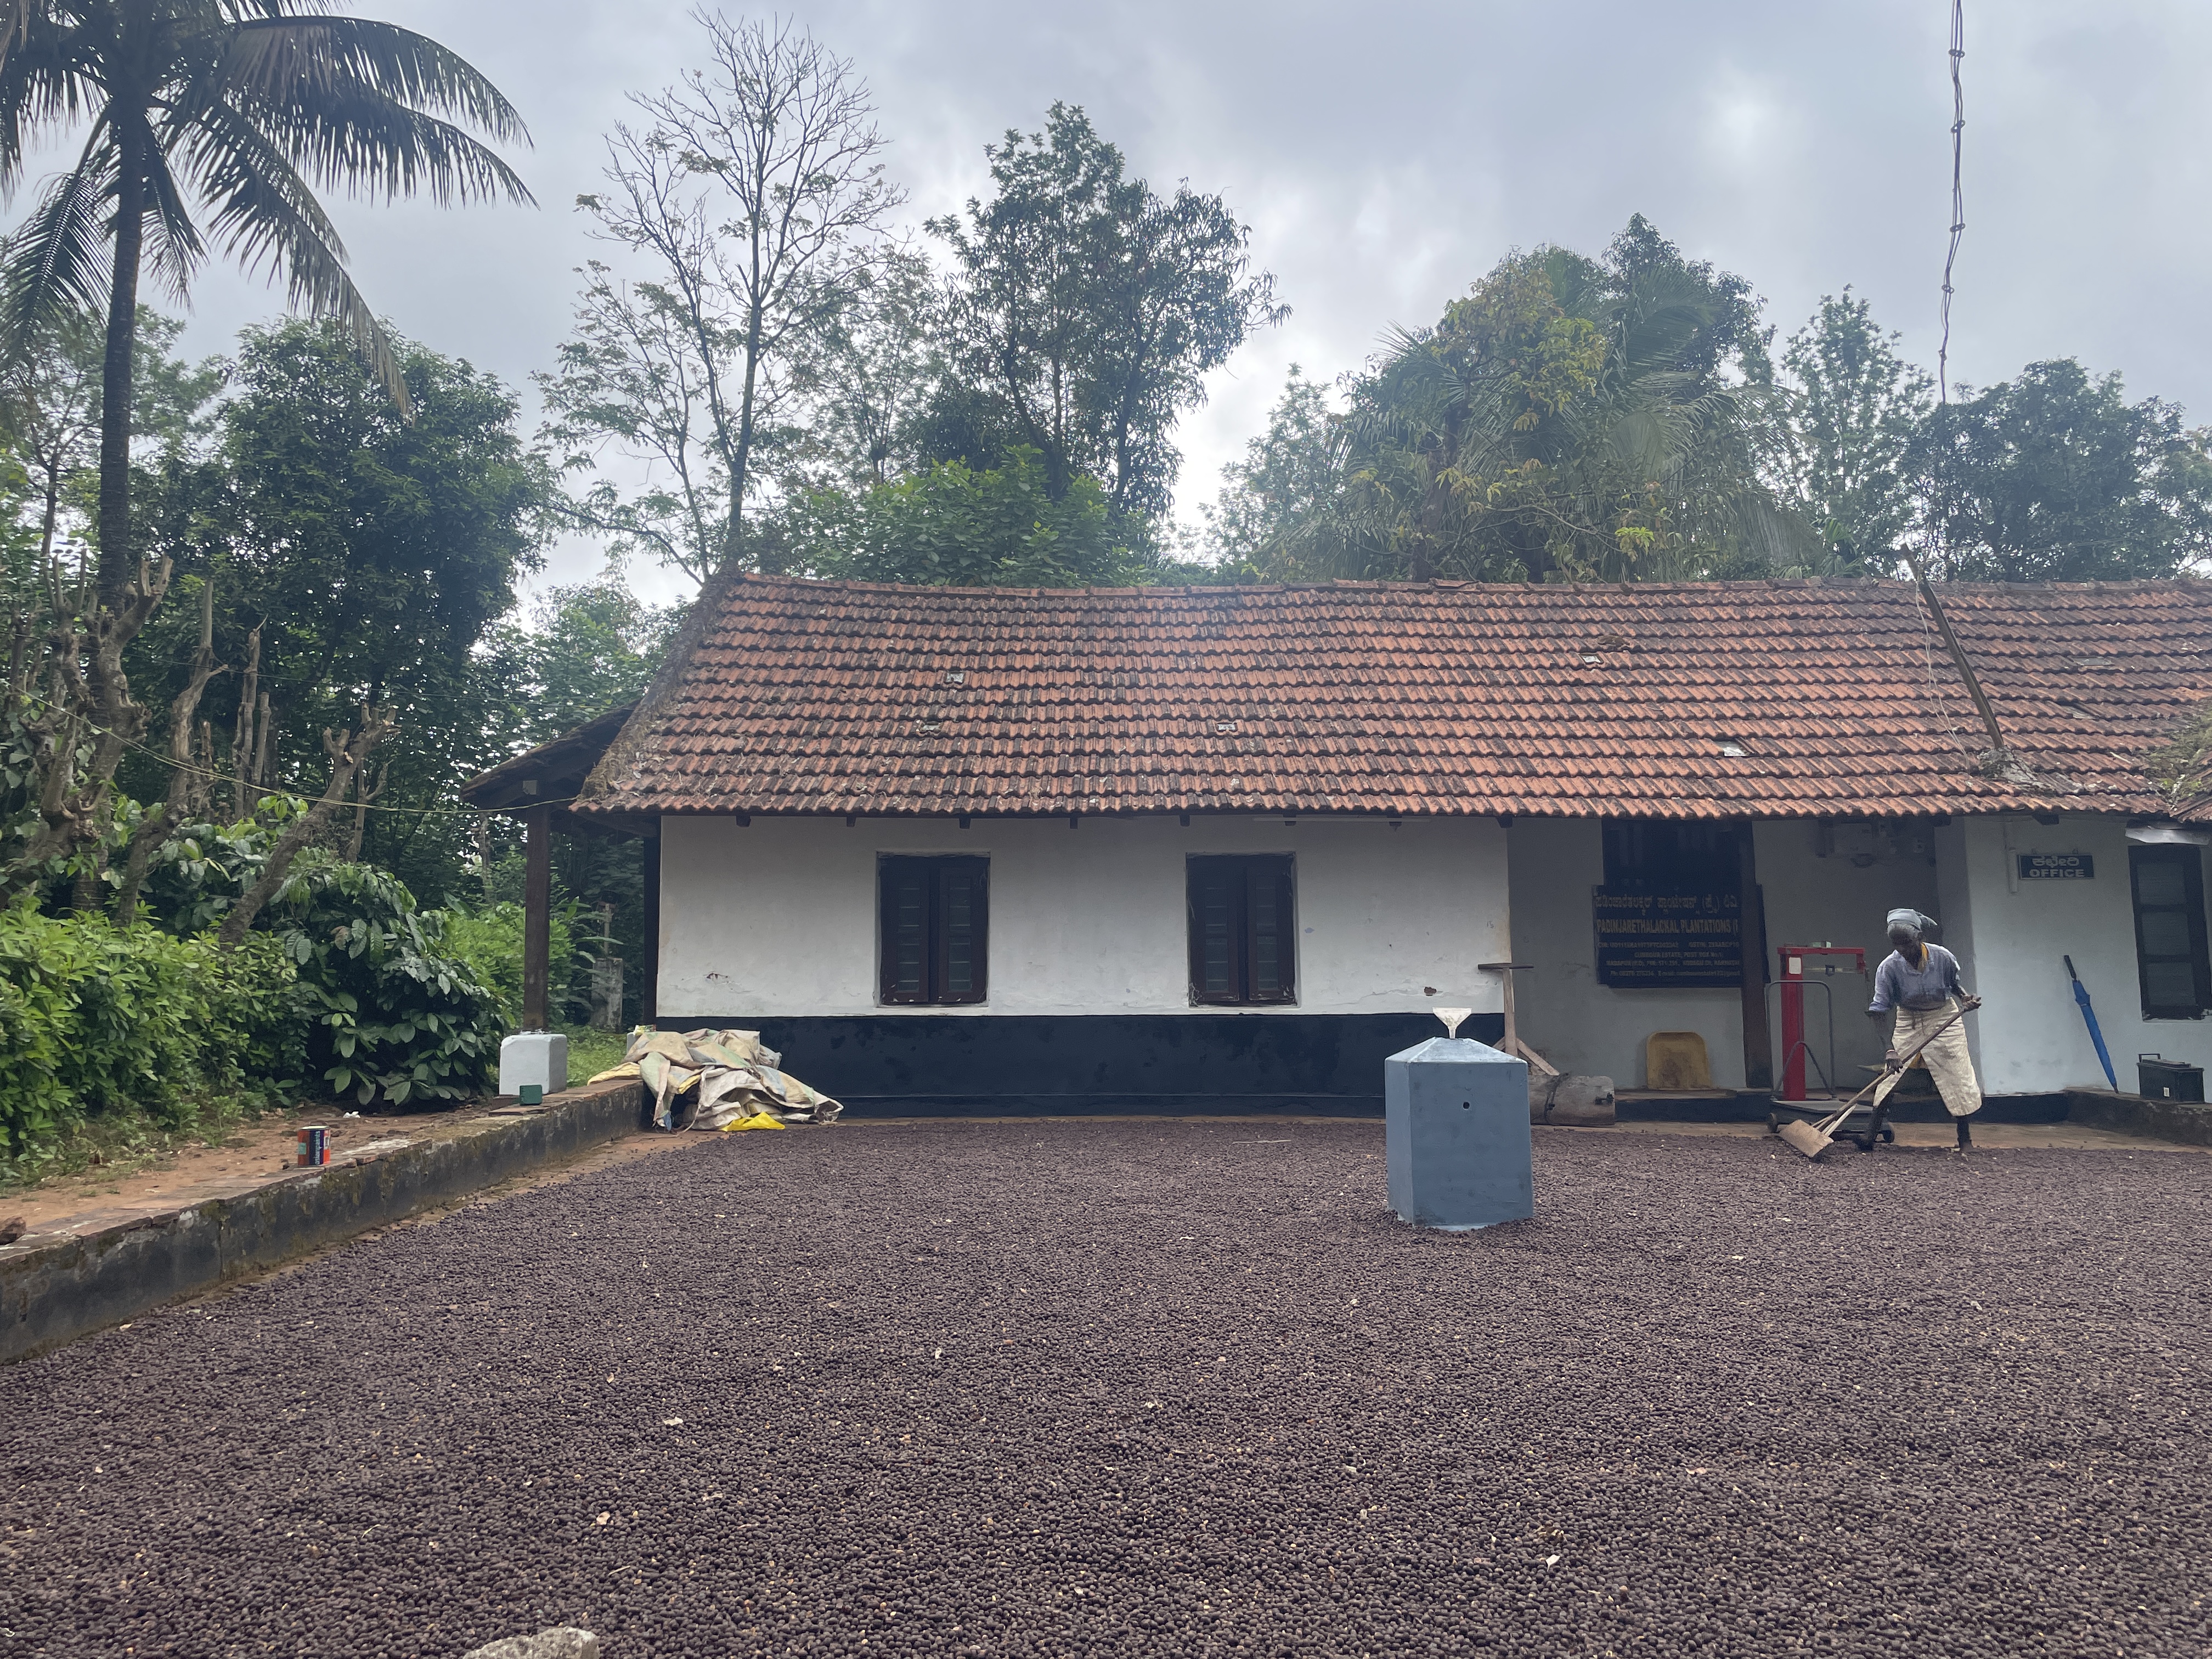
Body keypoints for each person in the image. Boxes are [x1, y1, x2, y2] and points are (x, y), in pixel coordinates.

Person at [1866, 908, 1983, 1149]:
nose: (1903, 950)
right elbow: (1878, 1011)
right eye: (1897, 944)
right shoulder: (1888, 968)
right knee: (1890, 1077)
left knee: (1957, 1072)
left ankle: (1965, 1139)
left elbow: (1955, 987)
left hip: (1943, 1015)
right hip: (1909, 1018)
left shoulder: (1942, 957)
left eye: (1907, 943)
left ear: (1919, 937)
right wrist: (1890, 1050)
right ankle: (1869, 1137)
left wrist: (1965, 1000)